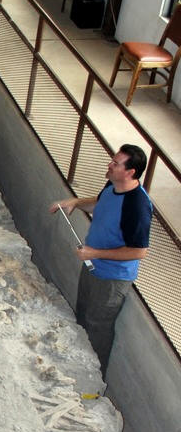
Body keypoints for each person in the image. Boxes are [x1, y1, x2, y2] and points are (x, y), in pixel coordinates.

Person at [49, 144, 152, 378]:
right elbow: (99, 202)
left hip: (112, 278)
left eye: (116, 164)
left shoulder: (137, 205)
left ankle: (91, 379)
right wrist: (75, 202)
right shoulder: (113, 185)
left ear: (130, 173)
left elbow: (139, 251)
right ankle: (75, 364)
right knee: (83, 314)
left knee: (98, 328)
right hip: (92, 266)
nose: (110, 165)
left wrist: (95, 253)